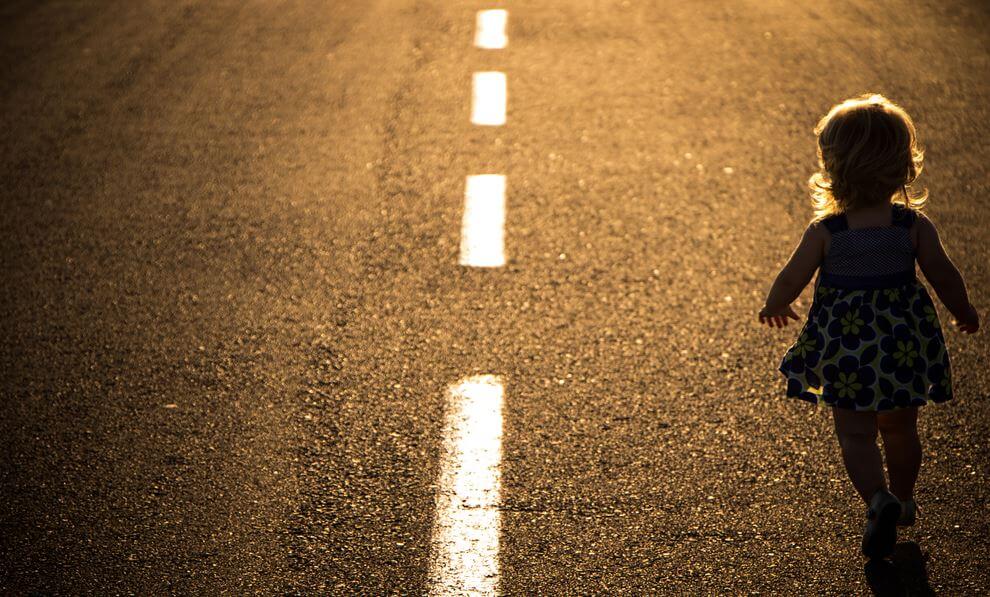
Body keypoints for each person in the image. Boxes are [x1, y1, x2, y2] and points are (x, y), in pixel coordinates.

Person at [758, 94, 980, 560]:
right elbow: (944, 274)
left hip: (847, 349)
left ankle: (876, 499)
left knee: (855, 433)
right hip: (901, 346)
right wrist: (962, 310)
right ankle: (902, 498)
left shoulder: (828, 232)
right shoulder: (912, 227)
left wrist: (776, 303)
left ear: (832, 164)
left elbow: (792, 275)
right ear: (904, 164)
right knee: (900, 428)